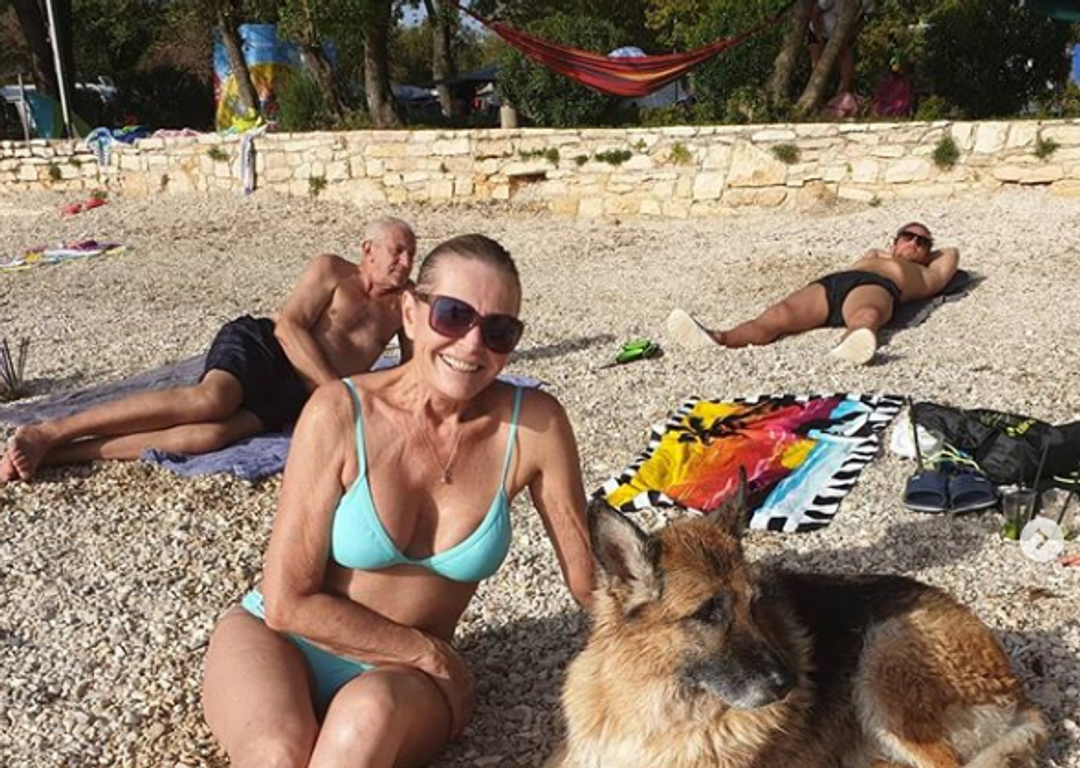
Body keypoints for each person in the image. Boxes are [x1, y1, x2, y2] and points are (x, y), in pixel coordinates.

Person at [201, 233, 593, 768]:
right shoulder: (339, 412)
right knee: (277, 755)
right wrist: (430, 653)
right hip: (282, 639)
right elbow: (287, 601)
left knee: (362, 728)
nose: (472, 345)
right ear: (410, 313)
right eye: (453, 316)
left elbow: (589, 581)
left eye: (498, 331)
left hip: (400, 682)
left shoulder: (534, 426)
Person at [0, 216, 417, 484]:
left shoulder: (406, 305)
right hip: (263, 348)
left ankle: (61, 455)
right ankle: (50, 431)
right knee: (212, 401)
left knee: (211, 435)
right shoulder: (332, 270)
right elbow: (288, 326)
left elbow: (413, 367)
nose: (405, 262)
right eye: (397, 251)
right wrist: (334, 390)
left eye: (411, 254)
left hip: (294, 394)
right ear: (368, 250)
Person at [666, 222, 959, 365]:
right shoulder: (874, 254)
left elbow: (951, 253)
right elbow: (872, 252)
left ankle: (851, 346)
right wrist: (889, 253)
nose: (914, 243)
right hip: (835, 282)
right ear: (894, 241)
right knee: (778, 314)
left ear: (928, 251)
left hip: (877, 286)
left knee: (867, 314)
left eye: (922, 241)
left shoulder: (927, 272)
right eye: (907, 236)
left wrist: (915, 257)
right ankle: (719, 337)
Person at [808, 0, 877, 104]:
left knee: (847, 72)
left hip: (842, 37)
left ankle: (838, 104)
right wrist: (819, 38)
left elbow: (863, 20)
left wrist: (850, 36)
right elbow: (815, 13)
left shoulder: (867, 2)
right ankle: (813, 102)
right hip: (819, 33)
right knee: (817, 69)